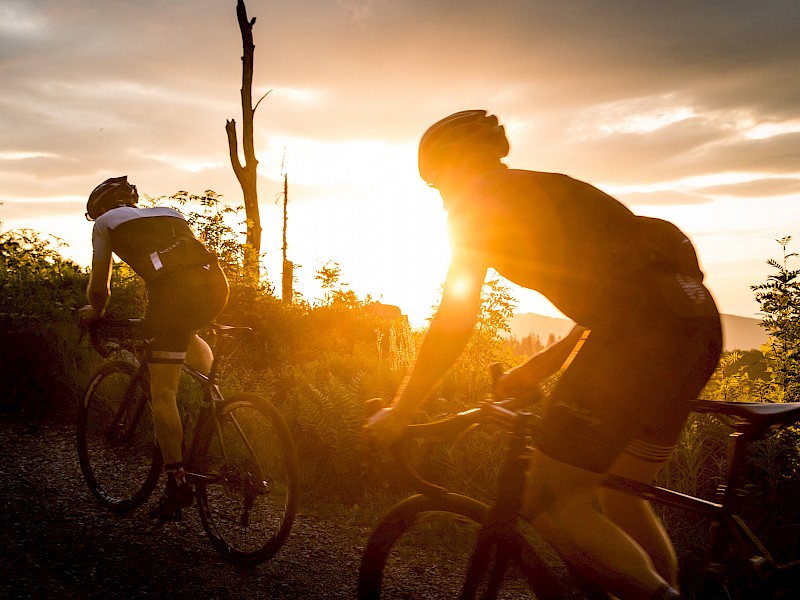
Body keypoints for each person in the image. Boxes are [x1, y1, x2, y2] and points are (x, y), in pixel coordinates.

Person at [364, 111, 722, 600]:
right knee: (619, 492)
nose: (439, 194)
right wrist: (542, 364)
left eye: (434, 181)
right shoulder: (555, 188)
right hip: (695, 326)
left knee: (551, 501)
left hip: (639, 336)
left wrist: (402, 411)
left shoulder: (477, 205)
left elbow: (455, 317)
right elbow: (622, 287)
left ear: (452, 166)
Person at [78, 176, 229, 521]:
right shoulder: (171, 212)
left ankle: (177, 483)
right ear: (131, 201)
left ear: (100, 209)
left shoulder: (104, 224)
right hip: (216, 286)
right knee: (185, 333)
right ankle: (217, 401)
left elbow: (100, 286)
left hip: (173, 295)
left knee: (164, 392)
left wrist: (95, 311)